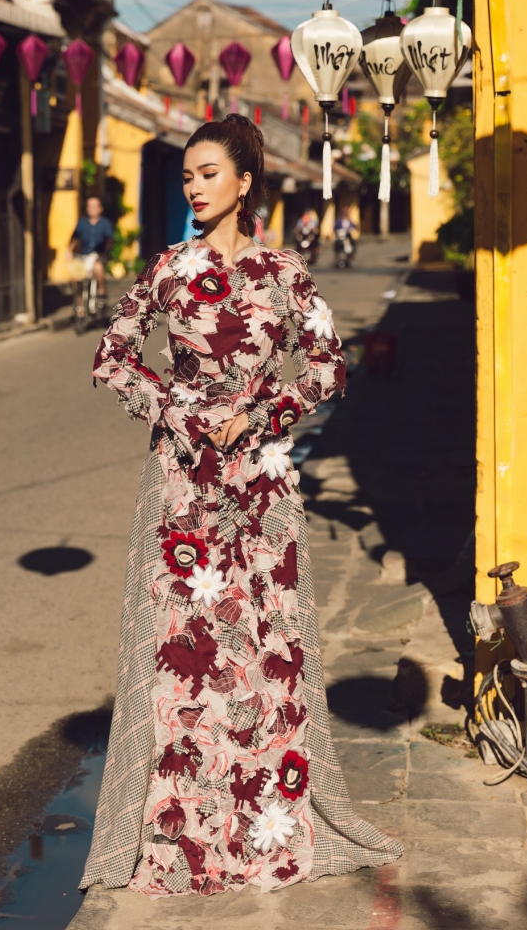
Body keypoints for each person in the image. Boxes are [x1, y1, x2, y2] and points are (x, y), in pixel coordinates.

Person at [80, 115, 402, 898]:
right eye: (187, 176)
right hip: (182, 484)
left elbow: (328, 367)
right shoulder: (168, 268)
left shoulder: (283, 272)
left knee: (264, 646)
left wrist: (262, 414)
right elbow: (111, 356)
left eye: (207, 174)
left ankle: (264, 817)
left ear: (244, 182)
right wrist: (180, 410)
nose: (193, 187)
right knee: (184, 648)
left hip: (260, 484)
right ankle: (184, 823)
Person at [69, 195, 114, 301]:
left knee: (98, 267)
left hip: (99, 255)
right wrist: (69, 251)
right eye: (89, 206)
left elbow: (109, 240)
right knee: (76, 276)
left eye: (94, 206)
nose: (91, 209)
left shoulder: (105, 223)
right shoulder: (82, 222)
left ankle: (101, 290)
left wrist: (105, 252)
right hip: (83, 255)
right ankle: (79, 305)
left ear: (100, 208)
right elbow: (75, 237)